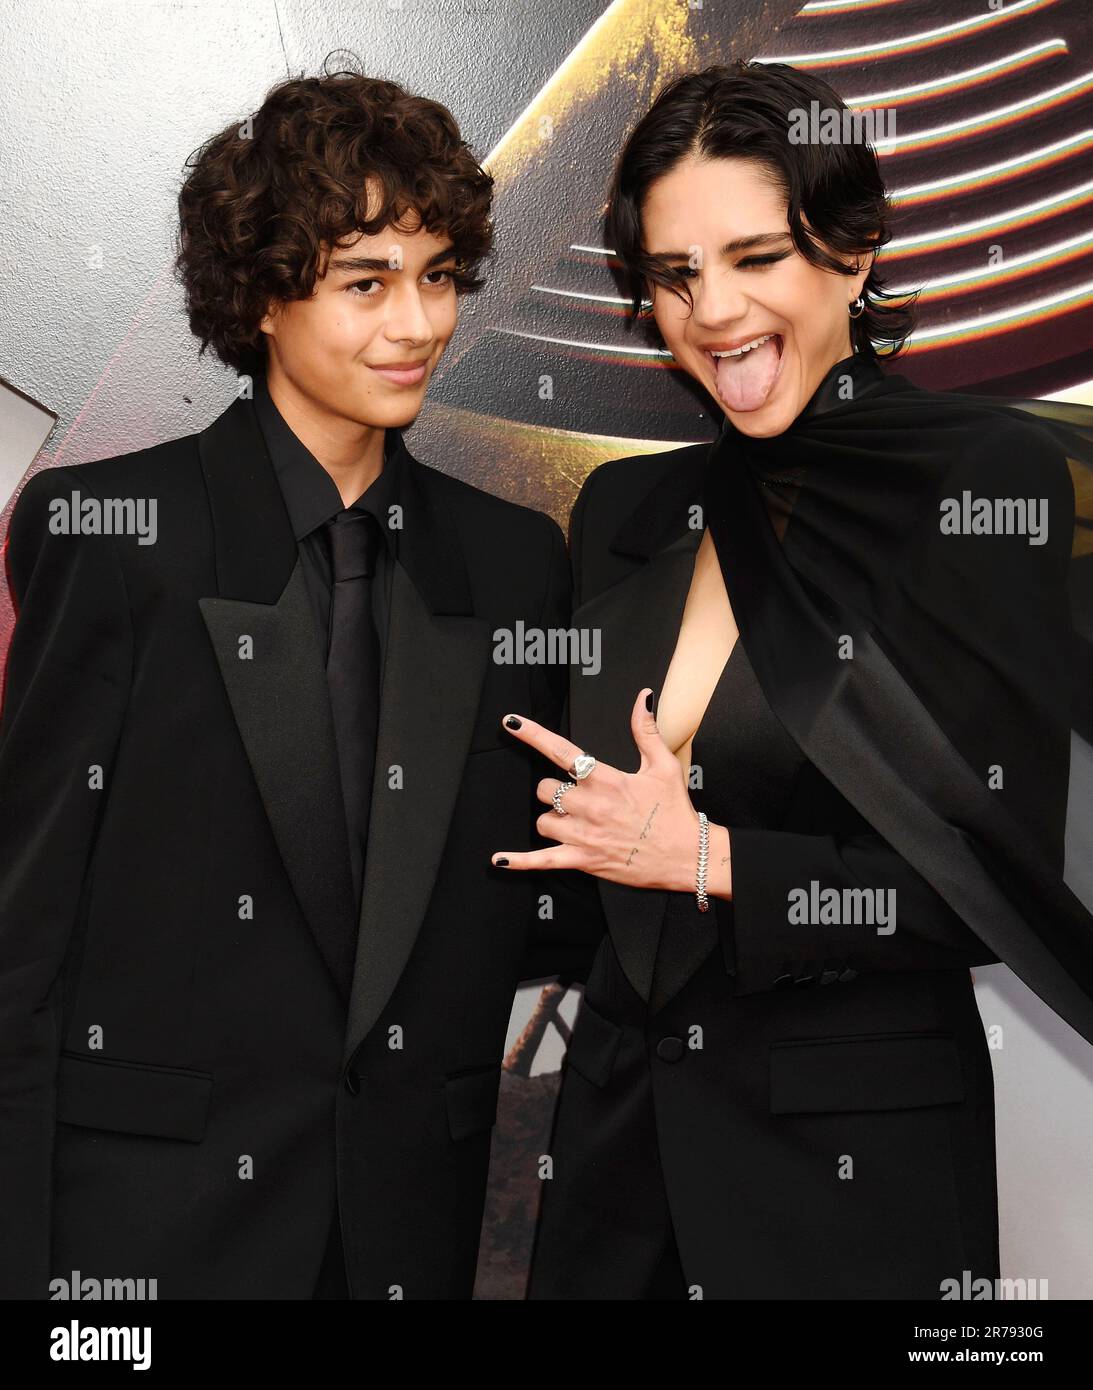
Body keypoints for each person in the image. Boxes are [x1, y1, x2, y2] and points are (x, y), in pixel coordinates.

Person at [490, 61, 1093, 1299]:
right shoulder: (623, 510)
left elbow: (990, 884)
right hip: (611, 1167)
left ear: (854, 252)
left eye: (755, 257)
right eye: (674, 274)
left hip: (847, 1175)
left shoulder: (976, 483)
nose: (712, 309)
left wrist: (708, 859)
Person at [0, 69, 596, 1300]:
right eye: (366, 281)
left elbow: (539, 896)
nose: (420, 324)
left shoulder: (512, 561)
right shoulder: (116, 537)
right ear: (263, 294)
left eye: (437, 276)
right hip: (140, 1243)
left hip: (406, 1235)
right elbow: (23, 942)